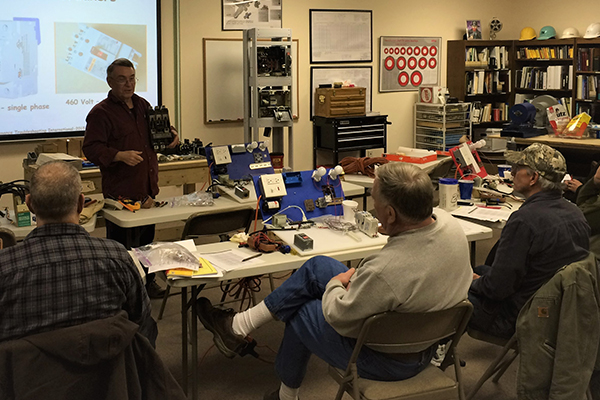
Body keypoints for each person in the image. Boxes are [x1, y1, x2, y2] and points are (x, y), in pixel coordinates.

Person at [196, 163, 473, 400]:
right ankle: (239, 326)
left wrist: (337, 285)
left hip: (391, 360)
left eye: (376, 205)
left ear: (391, 214)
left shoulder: (384, 270)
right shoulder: (450, 226)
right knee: (318, 266)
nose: (373, 212)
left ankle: (284, 394)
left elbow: (338, 315)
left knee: (302, 309)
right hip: (431, 342)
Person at [0, 161, 157, 346]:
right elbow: (143, 325)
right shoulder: (118, 257)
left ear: (30, 205)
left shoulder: (5, 267)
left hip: (29, 373)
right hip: (110, 372)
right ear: (81, 203)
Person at [469, 143, 590, 339]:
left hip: (521, 317)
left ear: (533, 178)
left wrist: (471, 283)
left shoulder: (525, 221)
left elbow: (497, 289)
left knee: (447, 289)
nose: (512, 173)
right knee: (481, 270)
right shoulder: (575, 212)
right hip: (559, 310)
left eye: (518, 169)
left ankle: (426, 351)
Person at [82, 58, 179, 298]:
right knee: (121, 246)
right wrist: (118, 155)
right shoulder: (100, 113)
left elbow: (159, 134)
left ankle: (147, 283)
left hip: (146, 187)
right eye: (122, 79)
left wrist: (171, 136)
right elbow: (91, 148)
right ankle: (123, 290)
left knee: (147, 240)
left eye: (132, 78)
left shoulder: (143, 105)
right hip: (121, 191)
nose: (129, 84)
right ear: (109, 81)